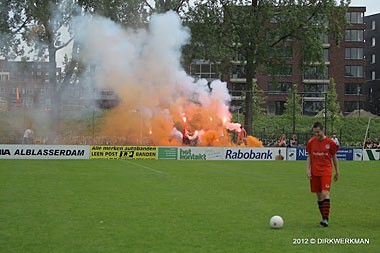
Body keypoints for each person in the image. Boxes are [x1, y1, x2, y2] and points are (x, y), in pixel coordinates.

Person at [306, 122, 339, 227]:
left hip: (326, 171)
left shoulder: (330, 143)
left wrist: (337, 171)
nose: (316, 134)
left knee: (325, 194)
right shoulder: (311, 142)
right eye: (315, 132)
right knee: (319, 197)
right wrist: (308, 169)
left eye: (318, 132)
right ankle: (323, 217)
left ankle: (325, 219)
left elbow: (334, 157)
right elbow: (310, 156)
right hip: (315, 172)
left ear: (323, 130)